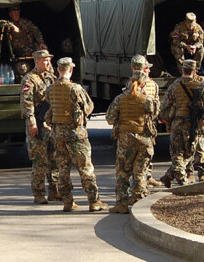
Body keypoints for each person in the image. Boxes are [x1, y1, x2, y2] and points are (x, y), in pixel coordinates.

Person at [45, 57, 108, 212]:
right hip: (76, 135)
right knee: (85, 168)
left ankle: (68, 202)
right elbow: (88, 106)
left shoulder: (51, 89)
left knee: (62, 169)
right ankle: (94, 201)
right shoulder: (76, 89)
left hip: (58, 134)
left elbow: (49, 105)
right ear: (71, 70)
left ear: (58, 70)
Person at [159, 60, 204, 188]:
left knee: (178, 153)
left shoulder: (174, 86)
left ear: (182, 70)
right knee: (197, 150)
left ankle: (176, 176)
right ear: (195, 70)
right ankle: (200, 176)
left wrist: (168, 122)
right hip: (196, 124)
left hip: (178, 123)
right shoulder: (202, 85)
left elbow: (165, 109)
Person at [106, 72, 158, 213]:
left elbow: (110, 118)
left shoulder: (119, 99)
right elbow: (155, 114)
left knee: (123, 172)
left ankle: (121, 204)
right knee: (140, 172)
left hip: (126, 141)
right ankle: (140, 203)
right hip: (144, 141)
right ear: (143, 84)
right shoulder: (147, 99)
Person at [20, 49, 59, 204]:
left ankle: (55, 192)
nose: (48, 62)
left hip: (50, 124)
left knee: (54, 158)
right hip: (37, 122)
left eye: (49, 60)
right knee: (40, 159)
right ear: (37, 61)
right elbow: (27, 102)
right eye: (45, 60)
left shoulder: (52, 77)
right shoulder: (30, 79)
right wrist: (32, 122)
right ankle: (39, 193)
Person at [129, 54, 162, 189]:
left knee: (135, 153)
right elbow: (156, 106)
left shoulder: (129, 84)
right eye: (147, 68)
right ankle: (141, 179)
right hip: (147, 123)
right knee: (146, 152)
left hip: (134, 124)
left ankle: (145, 176)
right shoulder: (152, 85)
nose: (148, 70)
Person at [0, 5, 47, 77]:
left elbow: (36, 31)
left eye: (18, 12)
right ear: (10, 14)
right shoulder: (8, 23)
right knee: (22, 69)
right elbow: (0, 23)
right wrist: (12, 26)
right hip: (19, 51)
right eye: (14, 12)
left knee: (44, 52)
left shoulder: (25, 22)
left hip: (31, 48)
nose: (17, 14)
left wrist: (41, 42)